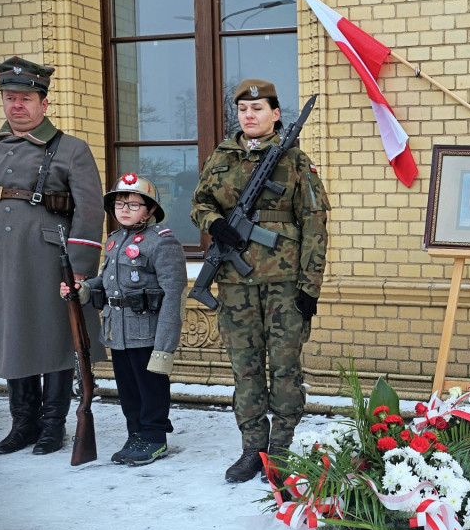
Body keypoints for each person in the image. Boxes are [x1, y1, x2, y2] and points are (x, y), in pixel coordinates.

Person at [0, 56, 105, 456]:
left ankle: (53, 426)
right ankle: (23, 424)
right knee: (9, 339)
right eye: (9, 97)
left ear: (45, 103)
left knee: (53, 339)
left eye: (25, 98)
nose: (16, 105)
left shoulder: (70, 149)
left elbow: (90, 214)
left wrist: (81, 270)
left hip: (47, 258)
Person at [191, 79, 329, 483]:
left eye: (258, 109)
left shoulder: (295, 162)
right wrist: (215, 223)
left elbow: (316, 225)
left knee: (285, 368)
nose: (249, 116)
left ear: (276, 114)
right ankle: (253, 448)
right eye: (243, 110)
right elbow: (200, 202)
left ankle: (281, 449)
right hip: (235, 283)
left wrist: (310, 286)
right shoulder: (222, 157)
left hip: (285, 284)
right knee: (245, 369)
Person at [61, 173, 187, 466]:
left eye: (133, 204)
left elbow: (174, 296)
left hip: (149, 333)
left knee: (150, 389)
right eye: (119, 204)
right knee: (128, 390)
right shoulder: (116, 240)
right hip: (118, 331)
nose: (125, 210)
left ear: (150, 209)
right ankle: (135, 434)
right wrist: (83, 289)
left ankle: (154, 438)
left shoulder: (162, 242)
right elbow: (106, 282)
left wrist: (164, 348)